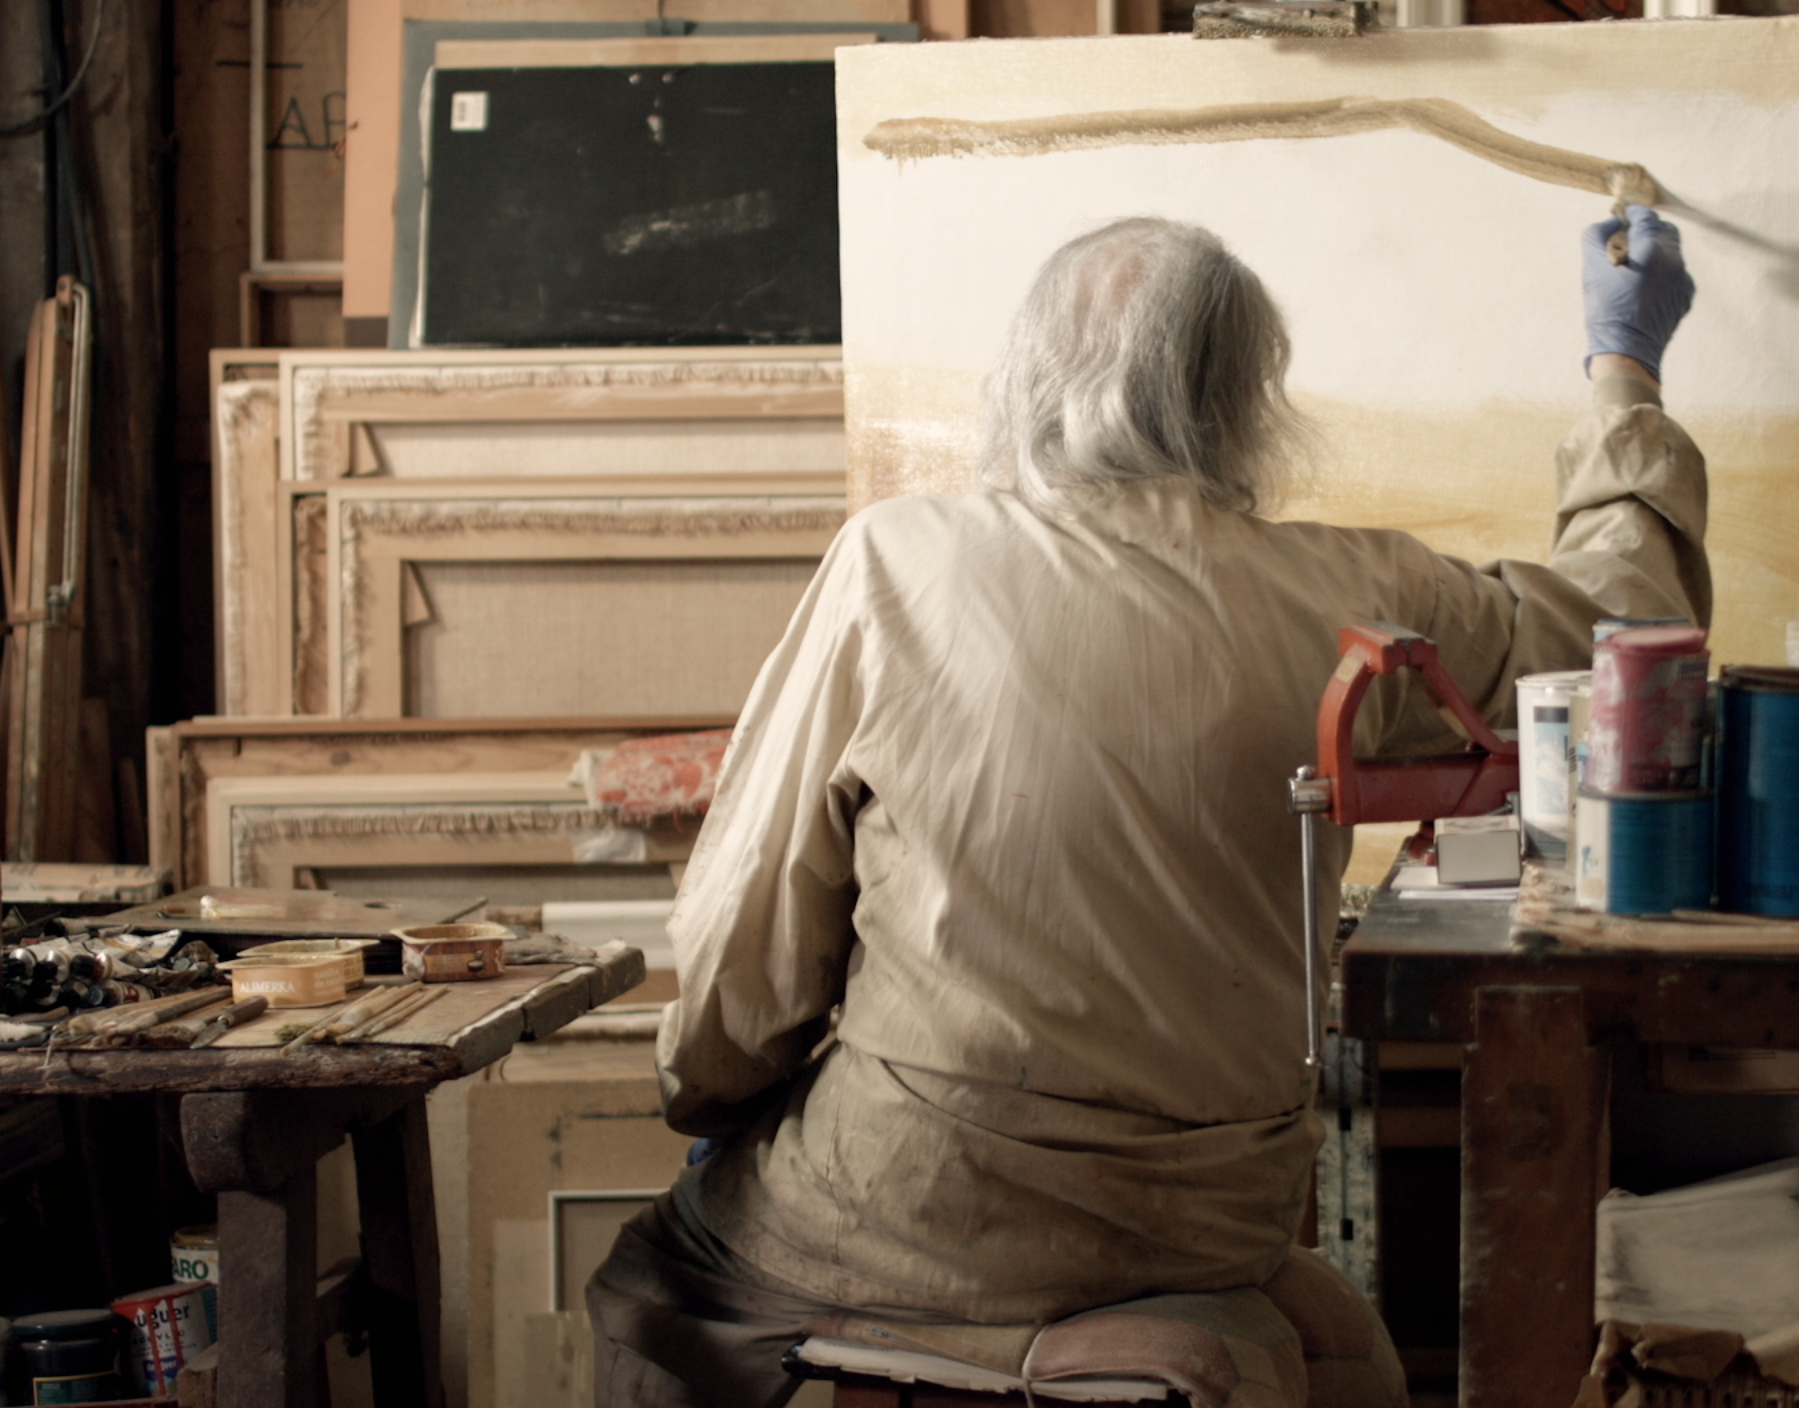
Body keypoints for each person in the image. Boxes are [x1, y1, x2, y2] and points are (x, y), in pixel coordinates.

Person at [589, 208, 1707, 1407]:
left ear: (1028, 378)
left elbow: (751, 936)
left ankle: (992, 1348)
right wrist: (1623, 369)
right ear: (1245, 400)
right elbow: (1621, 640)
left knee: (654, 1279)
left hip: (921, 1199)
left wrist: (708, 1095)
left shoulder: (895, 562)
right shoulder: (1353, 591)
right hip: (1208, 1222)